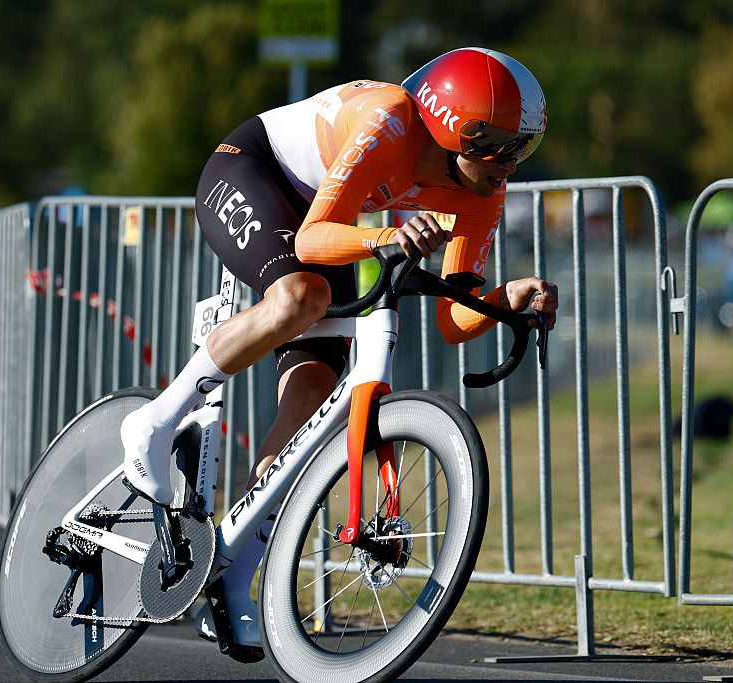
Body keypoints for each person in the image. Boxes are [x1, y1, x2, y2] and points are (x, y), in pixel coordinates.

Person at [120, 47, 560, 649]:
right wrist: (387, 235)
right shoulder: (390, 117)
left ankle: (236, 574)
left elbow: (454, 320)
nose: (509, 164)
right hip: (257, 173)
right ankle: (155, 421)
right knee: (302, 296)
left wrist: (504, 298)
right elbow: (312, 235)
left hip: (341, 216)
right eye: (497, 145)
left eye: (522, 147)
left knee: (308, 405)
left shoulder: (481, 193)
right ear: (451, 124)